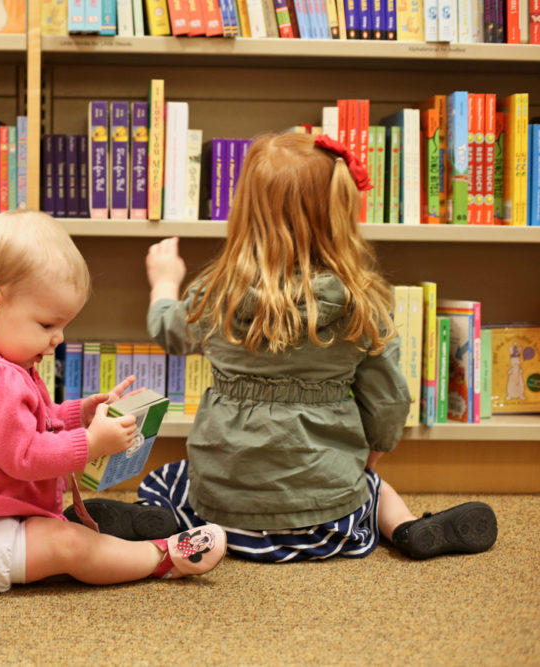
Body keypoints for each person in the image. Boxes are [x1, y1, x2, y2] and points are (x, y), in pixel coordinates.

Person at [89, 132, 497, 562]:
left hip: (224, 516)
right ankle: (408, 527)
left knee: (167, 481)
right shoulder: (360, 302)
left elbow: (168, 331)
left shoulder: (217, 294)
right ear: (340, 215)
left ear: (245, 211)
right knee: (372, 488)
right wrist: (370, 457)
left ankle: (167, 527)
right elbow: (389, 400)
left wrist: (165, 281)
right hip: (327, 523)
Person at [0, 210, 226, 592]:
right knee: (69, 545)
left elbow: (28, 421)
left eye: (63, 325)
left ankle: (108, 543)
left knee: (65, 531)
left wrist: (80, 413)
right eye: (46, 325)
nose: (58, 338)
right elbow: (24, 456)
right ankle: (162, 558)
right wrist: (91, 444)